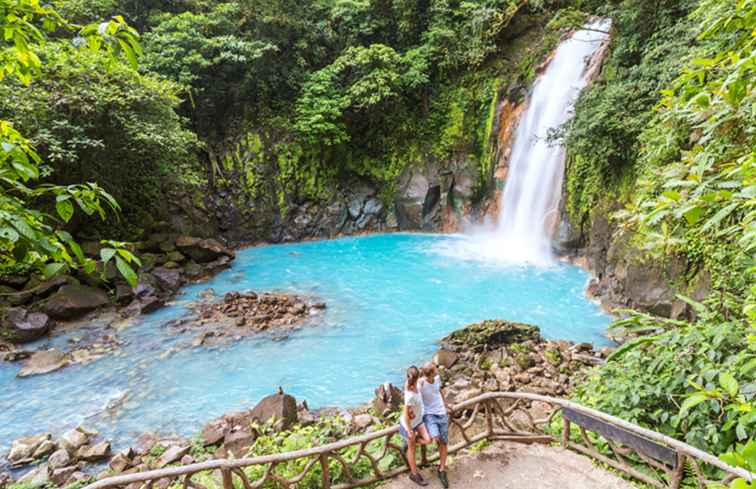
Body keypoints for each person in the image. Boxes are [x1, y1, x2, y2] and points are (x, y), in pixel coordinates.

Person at [420, 362, 452, 488]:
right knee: (435, 437)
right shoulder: (421, 383)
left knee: (443, 442)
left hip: (442, 413)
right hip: (430, 415)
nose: (437, 369)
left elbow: (439, 391)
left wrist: (446, 404)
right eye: (435, 368)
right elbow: (411, 391)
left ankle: (441, 469)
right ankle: (410, 442)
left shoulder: (437, 378)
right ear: (431, 372)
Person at [400, 365, 432, 486]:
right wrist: (409, 430)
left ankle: (407, 444)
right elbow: (405, 414)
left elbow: (420, 380)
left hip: (418, 421)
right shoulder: (409, 396)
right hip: (408, 425)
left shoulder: (416, 384)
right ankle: (414, 474)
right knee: (412, 451)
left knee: (428, 440)